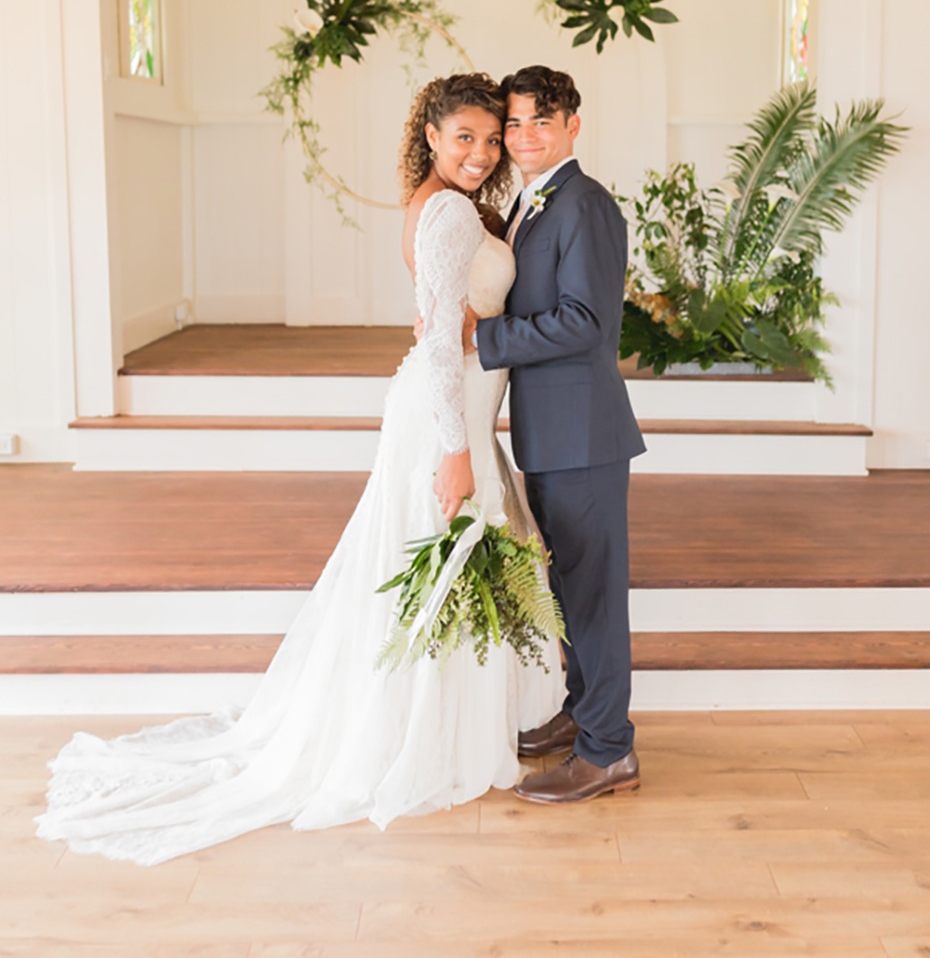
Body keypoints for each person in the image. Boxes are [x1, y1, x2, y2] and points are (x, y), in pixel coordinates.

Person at [35, 73, 562, 865]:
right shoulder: (450, 211)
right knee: (439, 564)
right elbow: (437, 346)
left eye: (493, 140)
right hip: (441, 421)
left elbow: (450, 320)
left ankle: (439, 727)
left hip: (452, 412)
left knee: (441, 574)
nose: (483, 154)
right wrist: (456, 450)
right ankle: (423, 741)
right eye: (466, 137)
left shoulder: (442, 205)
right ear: (430, 135)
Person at [465, 64, 647, 805]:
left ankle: (609, 751)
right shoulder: (533, 203)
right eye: (514, 123)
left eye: (542, 119)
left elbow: (587, 322)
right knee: (570, 590)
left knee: (595, 596)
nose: (524, 134)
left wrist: (486, 338)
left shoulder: (586, 205)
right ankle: (581, 715)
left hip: (585, 434)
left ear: (573, 124)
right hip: (550, 432)